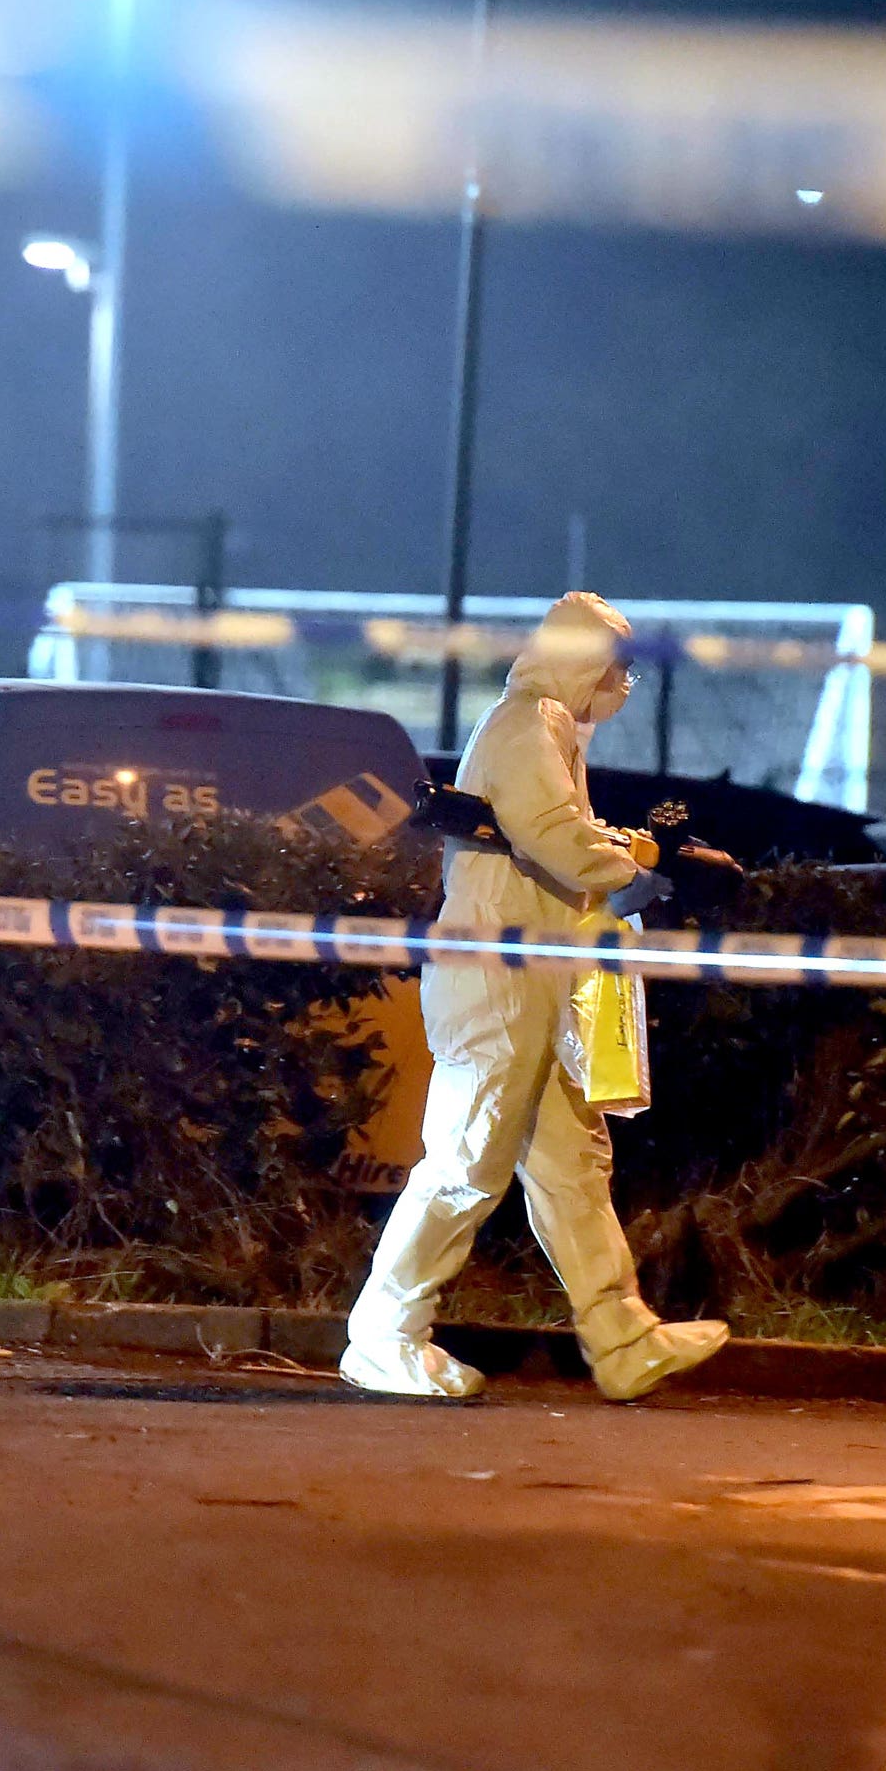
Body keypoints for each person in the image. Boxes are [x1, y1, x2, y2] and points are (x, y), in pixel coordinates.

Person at [341, 592, 730, 1402]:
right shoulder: (524, 722)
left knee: (573, 1167)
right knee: (465, 1162)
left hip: (537, 977)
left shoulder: (547, 727)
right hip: (498, 977)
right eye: (616, 666)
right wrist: (643, 874)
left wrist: (631, 857)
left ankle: (621, 1336)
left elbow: (554, 834)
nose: (622, 684)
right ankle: (382, 1336)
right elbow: (551, 833)